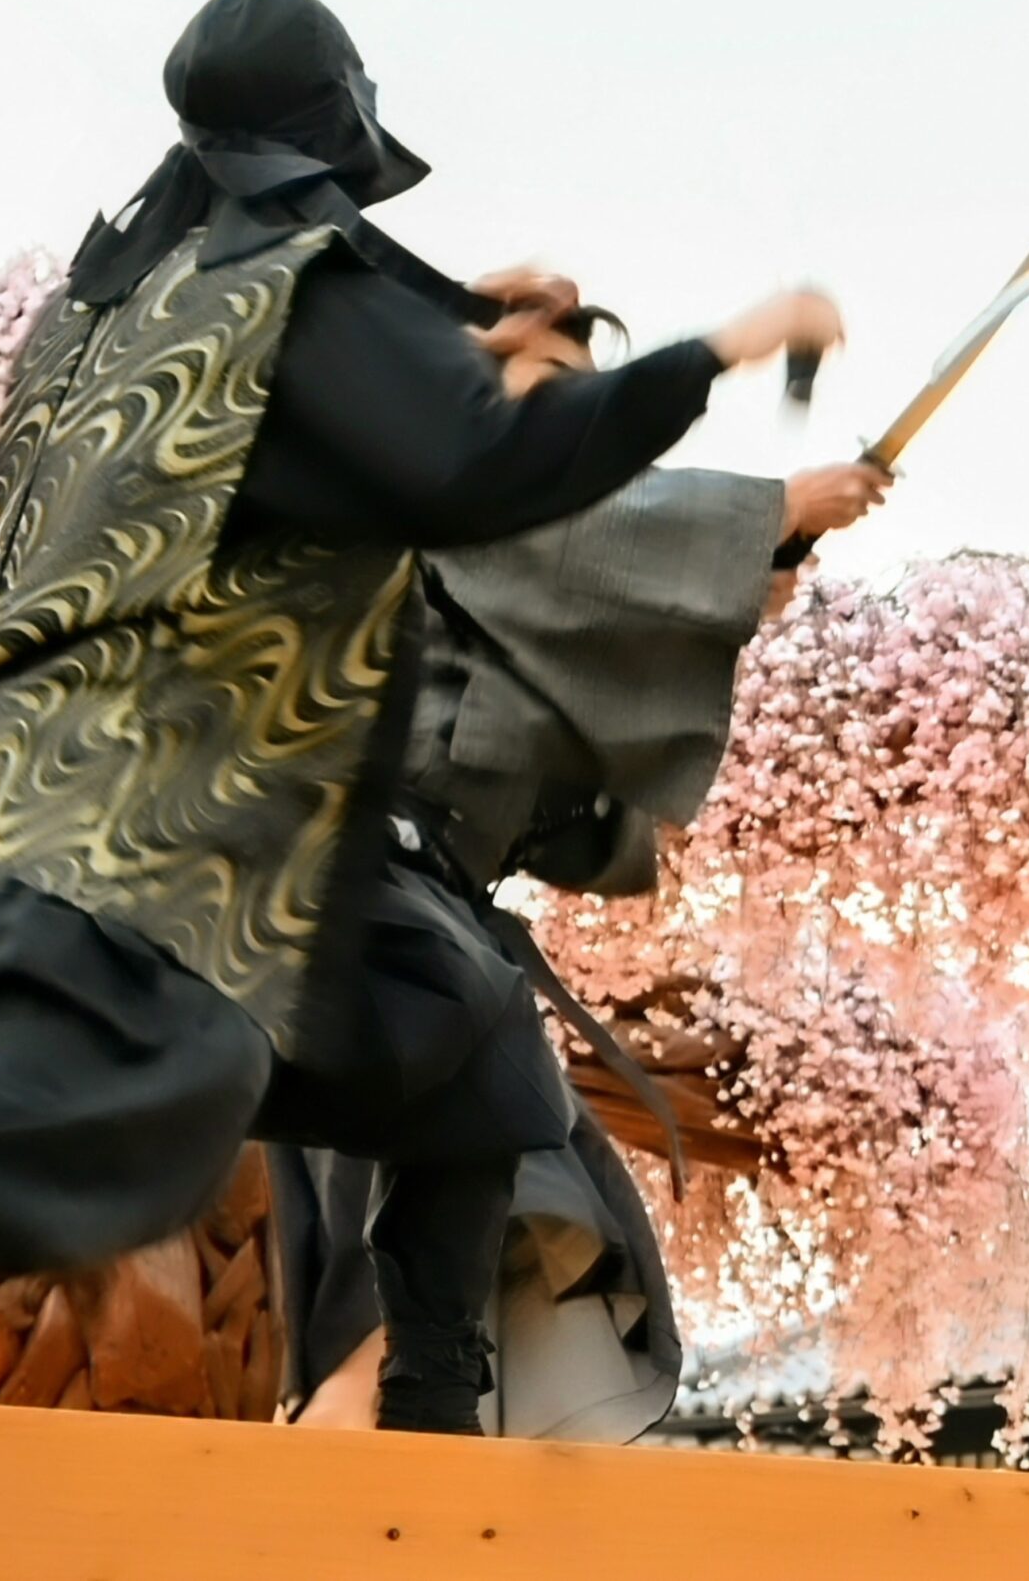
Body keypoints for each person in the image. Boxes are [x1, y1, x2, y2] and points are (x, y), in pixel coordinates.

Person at [0, 0, 840, 1435]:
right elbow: (487, 473)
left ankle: (432, 1396)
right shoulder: (298, 286)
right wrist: (726, 360)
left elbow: (387, 451)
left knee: (477, 1051)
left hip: (45, 809)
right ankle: (388, 1394)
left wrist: (491, 349)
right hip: (165, 843)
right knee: (33, 1146)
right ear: (340, 121)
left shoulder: (118, 308)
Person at [269, 303, 892, 1439]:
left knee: (502, 1196)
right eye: (538, 384)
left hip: (430, 919)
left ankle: (417, 1450)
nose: (562, 419)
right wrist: (774, 510)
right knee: (465, 1215)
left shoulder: (506, 572)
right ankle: (354, 1460)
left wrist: (750, 581)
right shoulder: (434, 493)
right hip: (352, 902)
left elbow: (575, 759)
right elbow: (574, 558)